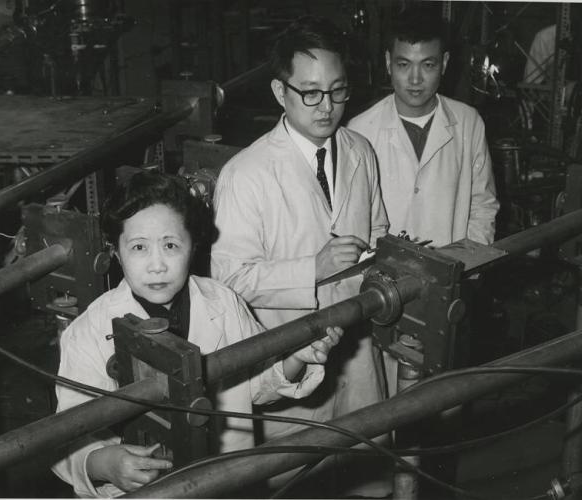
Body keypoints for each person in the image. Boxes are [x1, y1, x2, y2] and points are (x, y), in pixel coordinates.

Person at [51, 171, 343, 498]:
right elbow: (66, 436)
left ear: (193, 247)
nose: (157, 264)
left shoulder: (223, 302)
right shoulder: (89, 330)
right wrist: (105, 463)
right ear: (117, 253)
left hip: (225, 481)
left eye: (171, 245)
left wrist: (293, 359)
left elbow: (258, 386)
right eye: (139, 247)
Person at [211, 15, 390, 496]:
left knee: (365, 481)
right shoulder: (245, 174)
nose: (326, 106)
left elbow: (378, 234)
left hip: (356, 357)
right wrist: (313, 269)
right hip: (285, 370)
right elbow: (229, 282)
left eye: (337, 91)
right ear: (278, 91)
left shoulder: (361, 150)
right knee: (295, 484)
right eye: (310, 92)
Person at [348, 8, 499, 248]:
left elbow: (482, 205)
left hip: (452, 272)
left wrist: (467, 266)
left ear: (445, 63)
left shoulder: (469, 123)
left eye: (428, 65)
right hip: (384, 276)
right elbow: (353, 220)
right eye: (404, 64)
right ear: (389, 63)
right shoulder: (359, 131)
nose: (415, 79)